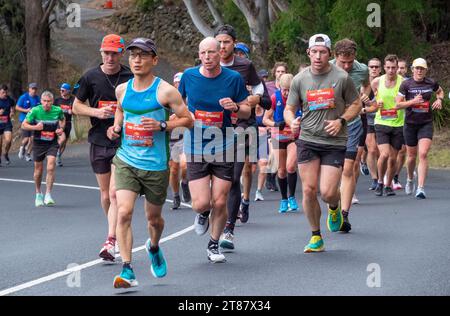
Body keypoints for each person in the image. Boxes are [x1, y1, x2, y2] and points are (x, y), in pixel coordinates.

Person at [107, 38, 193, 288]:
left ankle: (153, 246)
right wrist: (117, 126)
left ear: (154, 60)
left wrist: (163, 125)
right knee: (123, 211)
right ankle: (127, 269)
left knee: (154, 219)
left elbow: (189, 120)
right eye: (133, 55)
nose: (136, 60)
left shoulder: (165, 91)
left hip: (155, 165)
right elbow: (121, 110)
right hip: (126, 159)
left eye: (143, 55)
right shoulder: (122, 89)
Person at [284, 34, 361, 253]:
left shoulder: (342, 77)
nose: (318, 56)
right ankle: (316, 236)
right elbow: (290, 109)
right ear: (308, 53)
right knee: (308, 191)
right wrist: (292, 122)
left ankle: (334, 207)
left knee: (327, 192)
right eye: (314, 52)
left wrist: (341, 120)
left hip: (334, 141)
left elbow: (355, 103)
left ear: (329, 54)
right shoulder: (300, 79)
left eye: (322, 52)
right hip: (307, 139)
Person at [179, 37, 250, 262]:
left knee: (220, 200)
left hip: (224, 144)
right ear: (199, 55)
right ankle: (202, 214)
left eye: (212, 52)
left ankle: (213, 244)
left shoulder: (233, 78)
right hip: (196, 145)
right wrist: (185, 115)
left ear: (220, 53)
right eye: (204, 53)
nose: (208, 57)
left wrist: (237, 107)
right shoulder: (189, 76)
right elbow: (175, 104)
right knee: (201, 202)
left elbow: (248, 111)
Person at [72, 34, 133, 262]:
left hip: (123, 141)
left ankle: (111, 239)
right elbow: (76, 106)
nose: (110, 57)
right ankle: (114, 230)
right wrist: (97, 112)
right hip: (98, 139)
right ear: (101, 53)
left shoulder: (130, 76)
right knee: (106, 194)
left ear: (121, 53)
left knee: (116, 194)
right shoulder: (90, 77)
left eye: (114, 53)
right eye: (106, 53)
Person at [214, 24, 271, 252]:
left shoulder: (245, 66)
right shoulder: (207, 66)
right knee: (216, 181)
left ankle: (229, 228)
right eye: (218, 42)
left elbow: (264, 98)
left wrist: (251, 100)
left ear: (233, 44)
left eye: (226, 42)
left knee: (232, 177)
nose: (221, 46)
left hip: (242, 128)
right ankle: (209, 213)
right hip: (214, 130)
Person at [330, 38, 370, 231]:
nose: (346, 66)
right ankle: (333, 205)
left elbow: (367, 85)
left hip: (352, 124)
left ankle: (344, 215)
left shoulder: (362, 69)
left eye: (350, 62)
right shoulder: (324, 67)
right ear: (335, 56)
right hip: (328, 126)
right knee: (330, 175)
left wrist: (365, 94)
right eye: (342, 62)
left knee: (348, 169)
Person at [395, 58, 445, 199]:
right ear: (412, 69)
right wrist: (413, 102)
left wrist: (439, 99)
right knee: (411, 156)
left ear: (425, 70)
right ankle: (410, 178)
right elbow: (397, 105)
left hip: (426, 123)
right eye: (417, 68)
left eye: (422, 68)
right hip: (410, 124)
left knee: (423, 154)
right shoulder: (406, 84)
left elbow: (440, 91)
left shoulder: (431, 83)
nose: (419, 71)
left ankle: (421, 188)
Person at [366, 54, 404, 197]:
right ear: (384, 67)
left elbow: (408, 101)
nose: (391, 70)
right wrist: (376, 103)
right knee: (384, 154)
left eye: (393, 68)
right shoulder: (376, 82)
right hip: (381, 122)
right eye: (388, 68)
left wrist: (403, 103)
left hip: (398, 123)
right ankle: (380, 181)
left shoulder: (403, 82)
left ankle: (388, 185)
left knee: (393, 158)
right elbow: (370, 101)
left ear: (397, 67)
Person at [263, 73, 300, 213]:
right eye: (284, 89)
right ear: (280, 87)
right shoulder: (275, 97)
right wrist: (275, 123)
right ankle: (284, 199)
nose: (286, 93)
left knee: (291, 166)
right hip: (278, 137)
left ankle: (292, 197)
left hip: (294, 137)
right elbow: (265, 119)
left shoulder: (298, 99)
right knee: (282, 169)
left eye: (289, 90)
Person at [21, 91, 65, 207]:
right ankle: (38, 193)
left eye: (49, 101)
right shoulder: (35, 111)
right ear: (41, 101)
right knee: (38, 170)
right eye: (44, 101)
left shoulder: (57, 110)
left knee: (51, 166)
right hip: (38, 143)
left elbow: (62, 119)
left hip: (52, 142)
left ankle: (48, 194)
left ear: (52, 102)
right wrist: (35, 127)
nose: (46, 104)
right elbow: (24, 125)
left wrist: (61, 129)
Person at [169, 72, 191, 209]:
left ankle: (185, 182)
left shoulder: (189, 99)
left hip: (185, 136)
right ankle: (176, 195)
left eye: (181, 82)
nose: (179, 84)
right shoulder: (167, 98)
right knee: (173, 169)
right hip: (170, 138)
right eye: (176, 82)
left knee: (184, 165)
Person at [364, 58, 382, 190]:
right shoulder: (363, 84)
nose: (374, 69)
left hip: (383, 118)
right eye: (371, 67)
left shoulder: (385, 82)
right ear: (368, 69)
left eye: (376, 67)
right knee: (372, 149)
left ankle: (383, 178)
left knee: (382, 152)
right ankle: (375, 179)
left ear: (380, 69)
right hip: (367, 119)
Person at [16, 83, 40, 161]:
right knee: (26, 139)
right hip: (25, 120)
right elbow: (17, 107)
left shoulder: (37, 98)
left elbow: (40, 108)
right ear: (29, 89)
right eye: (32, 89)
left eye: (35, 89)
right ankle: (22, 147)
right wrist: (25, 110)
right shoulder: (23, 97)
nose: (34, 90)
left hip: (34, 121)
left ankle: (28, 154)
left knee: (33, 139)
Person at [54, 83, 75, 167]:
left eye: (63, 90)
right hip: (59, 123)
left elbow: (78, 109)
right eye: (60, 90)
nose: (61, 91)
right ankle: (55, 152)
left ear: (68, 91)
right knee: (62, 139)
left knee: (65, 143)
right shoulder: (57, 100)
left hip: (68, 123)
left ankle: (58, 156)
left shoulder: (73, 100)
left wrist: (72, 111)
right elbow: (52, 110)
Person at [0, 85, 15, 166]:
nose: (5, 94)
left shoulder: (10, 99)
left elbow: (12, 106)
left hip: (6, 123)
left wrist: (12, 111)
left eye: (6, 92)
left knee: (8, 140)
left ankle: (5, 153)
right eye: (3, 92)